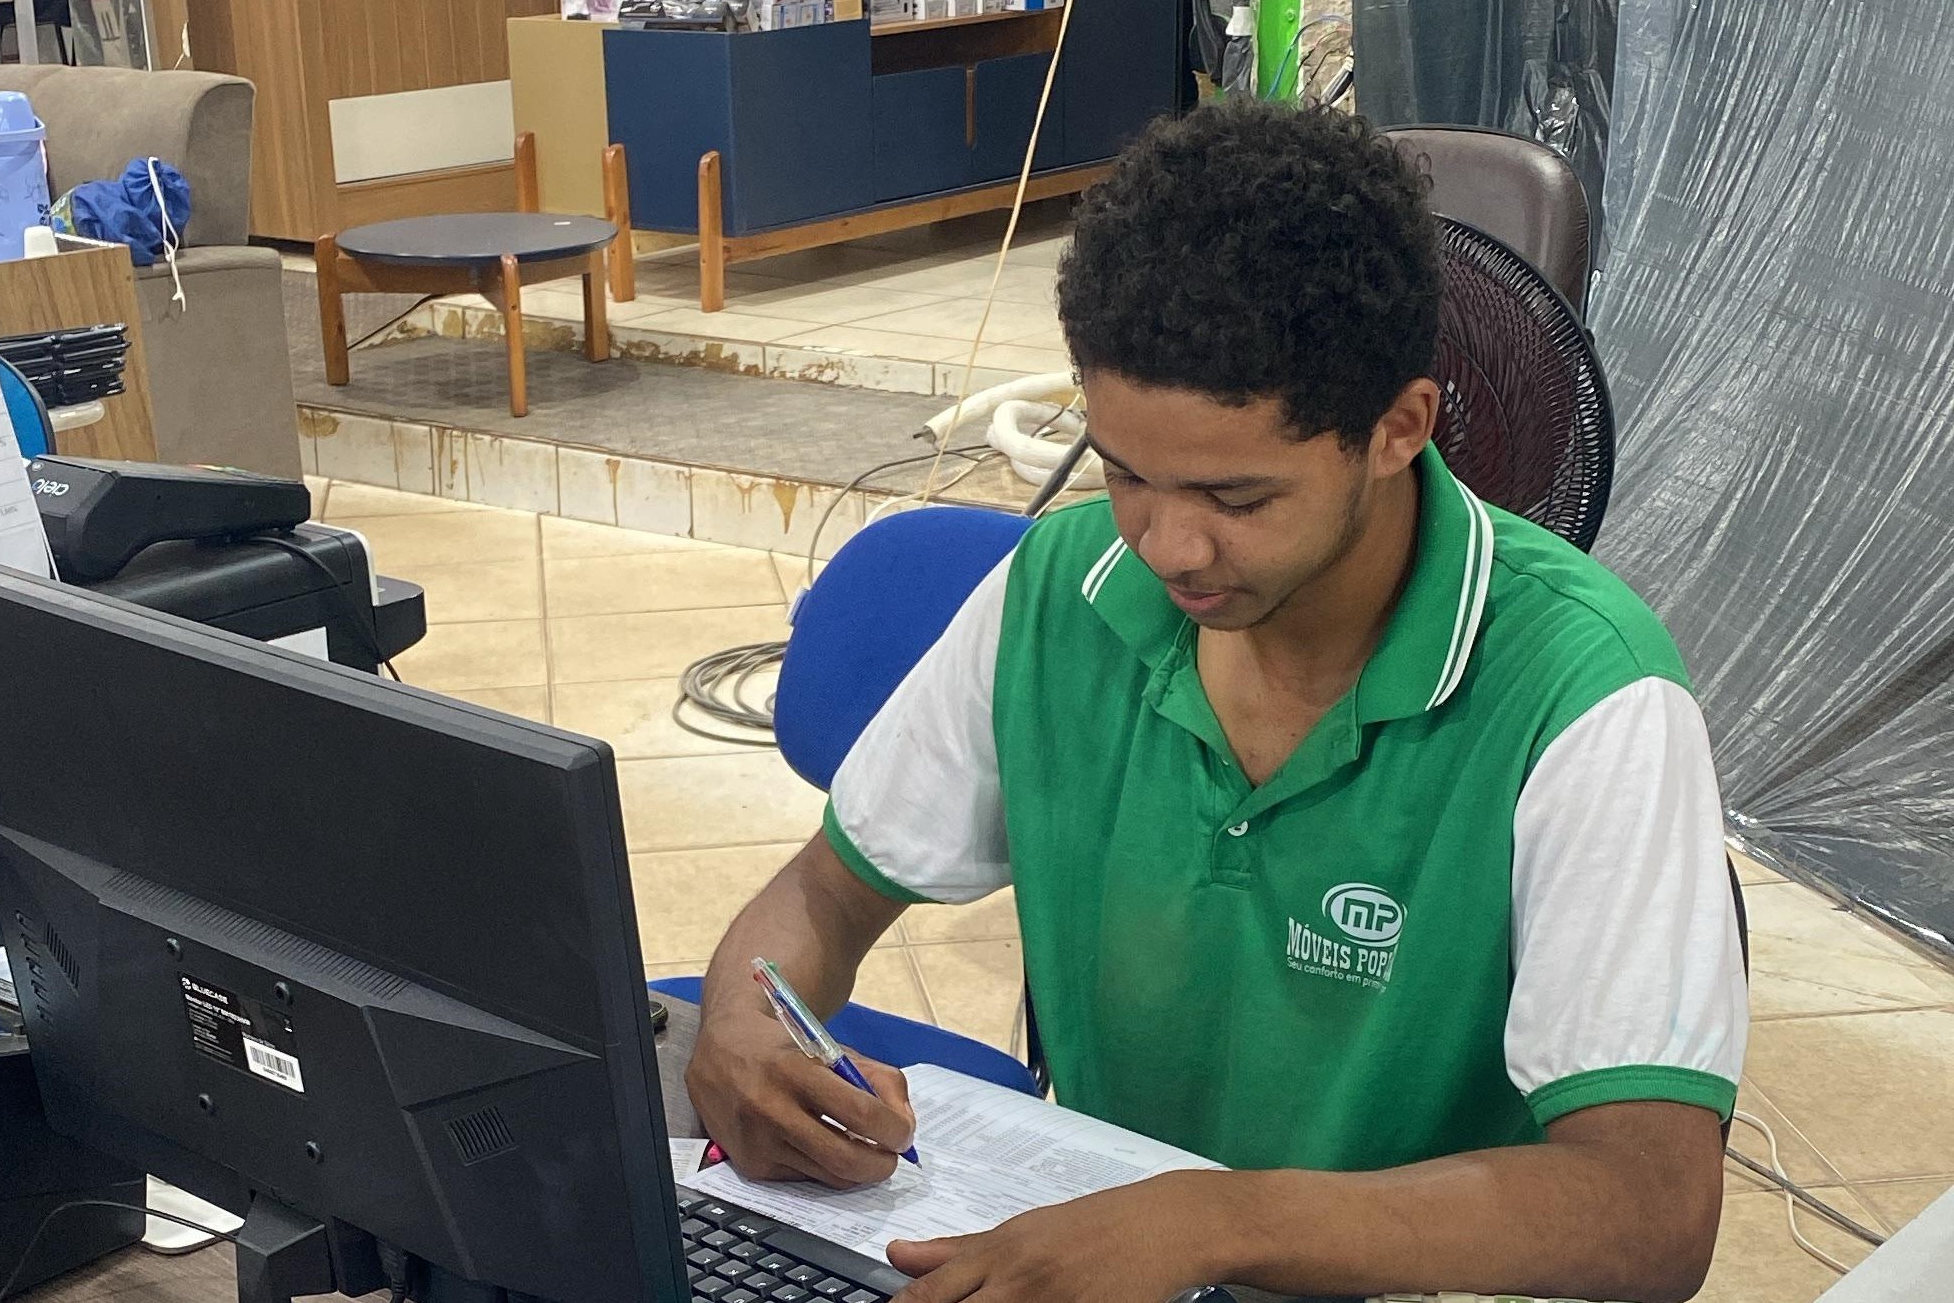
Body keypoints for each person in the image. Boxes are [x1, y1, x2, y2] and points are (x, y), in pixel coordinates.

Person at [684, 98, 1747, 1303]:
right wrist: (744, 1023)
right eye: (1126, 474)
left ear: (1400, 428)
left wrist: (1218, 1223)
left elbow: (1649, 1211)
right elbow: (824, 896)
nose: (1168, 547)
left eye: (1237, 500)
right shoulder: (1061, 591)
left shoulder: (1585, 692)